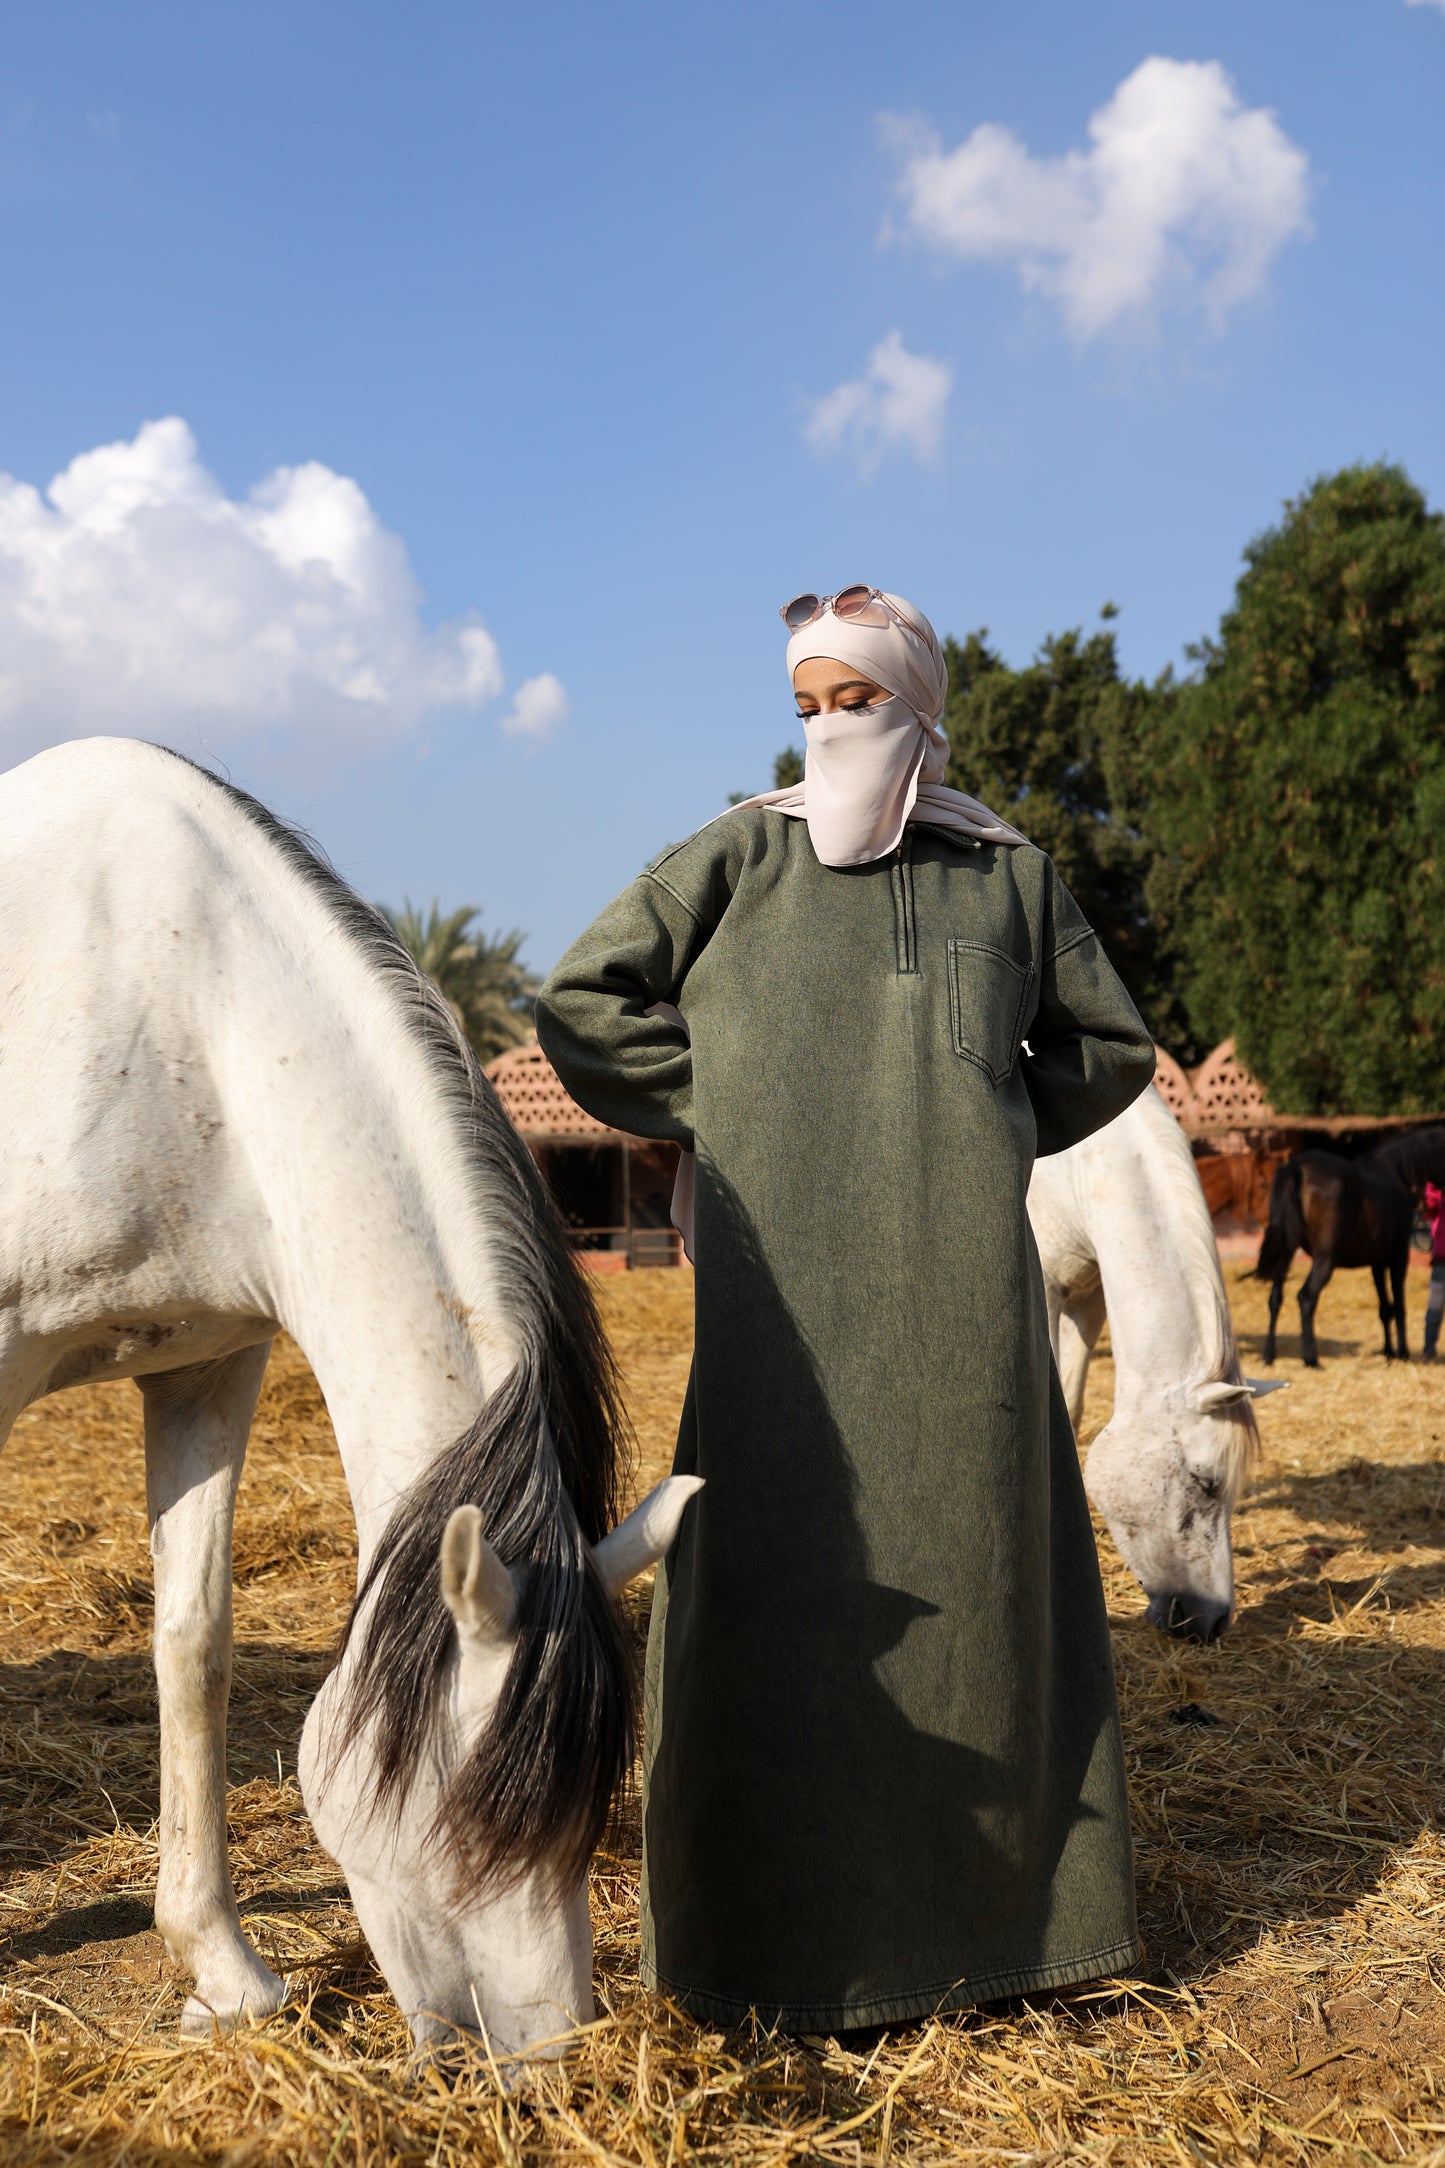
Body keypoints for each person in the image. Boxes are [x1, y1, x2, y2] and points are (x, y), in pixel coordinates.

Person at [536, 586, 1157, 2031]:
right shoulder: (736, 858)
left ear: (918, 708)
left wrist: (992, 1115)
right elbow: (582, 1000)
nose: (829, 728)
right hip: (781, 1322)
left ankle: (1007, 1936)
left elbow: (1108, 1045)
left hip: (964, 1314)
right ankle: (760, 1946)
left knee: (981, 1591)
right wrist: (725, 1111)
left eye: (857, 701)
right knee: (770, 1592)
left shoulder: (1006, 878)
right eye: (807, 703)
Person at [1424, 1181, 1445, 1362]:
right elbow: (1428, 1206)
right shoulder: (1436, 1187)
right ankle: (1429, 1350)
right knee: (1435, 1307)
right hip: (1441, 1259)